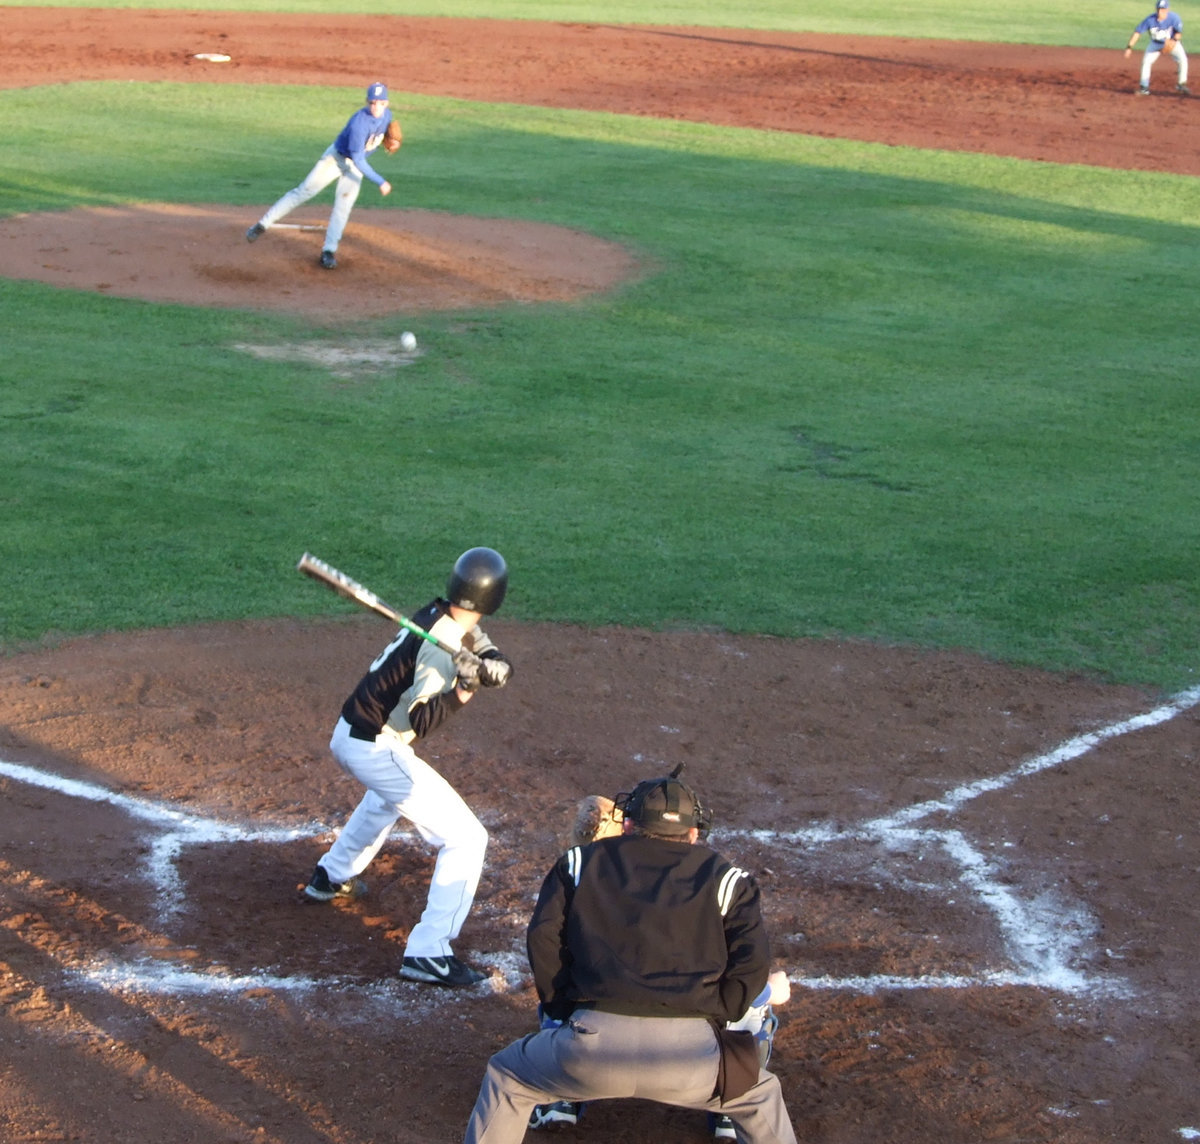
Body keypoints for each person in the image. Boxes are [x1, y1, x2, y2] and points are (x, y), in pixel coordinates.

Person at [463, 772, 799, 1144]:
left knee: (507, 1077)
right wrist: (718, 1016)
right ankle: (724, 1119)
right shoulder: (729, 879)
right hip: (693, 1063)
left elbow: (543, 940)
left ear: (627, 825)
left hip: (587, 1053)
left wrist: (564, 1012)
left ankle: (563, 1102)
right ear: (693, 833)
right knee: (761, 1093)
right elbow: (751, 966)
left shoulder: (577, 863)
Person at [302, 547, 514, 989]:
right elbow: (421, 721)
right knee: (466, 838)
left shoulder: (444, 616)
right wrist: (463, 690)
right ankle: (430, 953)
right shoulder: (443, 649)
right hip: (375, 746)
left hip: (358, 734)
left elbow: (484, 647)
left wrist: (495, 668)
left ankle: (331, 875)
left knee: (387, 798)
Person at [245, 81, 398, 269]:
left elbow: (383, 133)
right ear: (367, 102)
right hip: (336, 159)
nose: (375, 107)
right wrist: (380, 181)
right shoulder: (359, 123)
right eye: (372, 102)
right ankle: (262, 224)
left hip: (356, 166)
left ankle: (328, 251)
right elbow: (358, 159)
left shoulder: (387, 116)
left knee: (343, 206)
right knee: (304, 191)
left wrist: (392, 142)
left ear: (386, 103)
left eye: (380, 103)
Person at [1125, 1, 1189, 96]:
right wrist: (1129, 47)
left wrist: (1173, 41)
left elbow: (1179, 34)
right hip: (1155, 44)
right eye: (1158, 9)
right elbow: (1137, 32)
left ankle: (1181, 84)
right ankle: (1144, 88)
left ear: (1167, 9)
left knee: (1183, 60)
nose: (1160, 12)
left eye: (1162, 9)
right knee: (1146, 62)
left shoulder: (1174, 18)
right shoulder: (1150, 20)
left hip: (1172, 43)